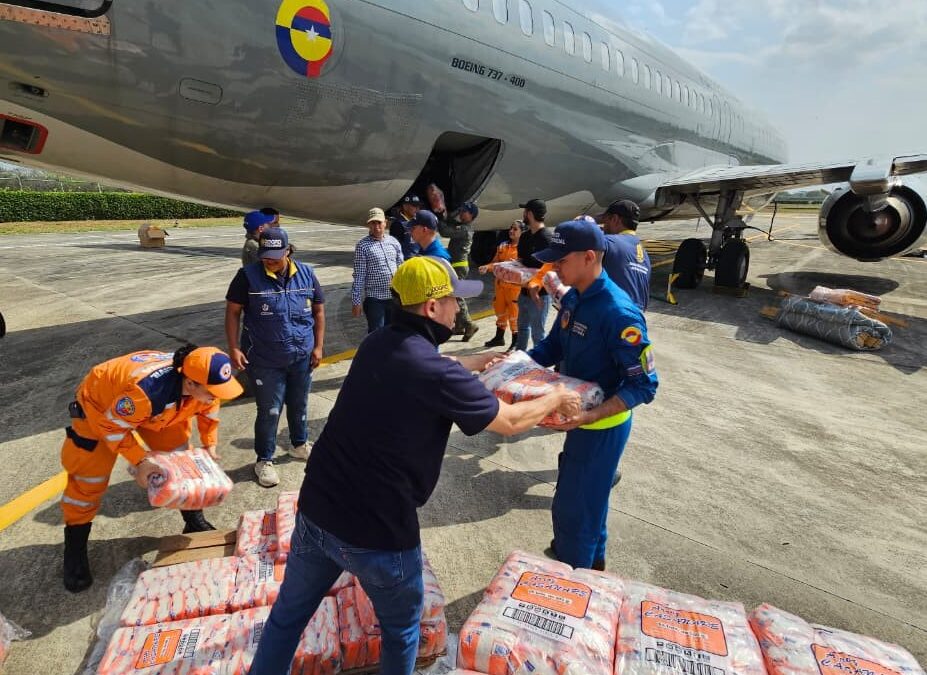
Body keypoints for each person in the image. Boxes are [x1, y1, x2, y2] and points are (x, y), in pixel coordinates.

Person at [248, 256, 580, 675]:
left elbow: (428, 366)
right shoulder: (437, 374)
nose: (459, 309)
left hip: (317, 510)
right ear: (431, 308)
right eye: (454, 301)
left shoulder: (378, 341)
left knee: (287, 617)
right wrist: (555, 398)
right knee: (402, 629)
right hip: (377, 531)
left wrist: (478, 360)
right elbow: (510, 422)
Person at [528, 219, 659, 571]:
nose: (554, 267)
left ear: (589, 257)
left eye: (561, 260)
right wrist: (512, 365)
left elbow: (644, 385)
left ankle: (574, 579)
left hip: (602, 427)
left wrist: (587, 417)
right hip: (579, 422)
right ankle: (592, 565)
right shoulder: (574, 299)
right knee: (590, 505)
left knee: (575, 511)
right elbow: (552, 346)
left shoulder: (619, 314)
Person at [60, 345, 243, 592]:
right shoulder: (146, 393)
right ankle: (74, 550)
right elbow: (113, 429)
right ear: (190, 384)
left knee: (181, 460)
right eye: (212, 391)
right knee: (89, 480)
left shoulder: (200, 384)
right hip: (101, 410)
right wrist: (141, 461)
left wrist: (210, 444)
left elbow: (209, 408)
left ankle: (193, 520)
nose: (216, 396)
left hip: (157, 410)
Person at [224, 227, 326, 488]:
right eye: (264, 255)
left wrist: (318, 347)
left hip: (301, 355)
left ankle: (299, 444)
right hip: (265, 359)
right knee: (269, 411)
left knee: (299, 403)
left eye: (275, 256)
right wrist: (234, 347)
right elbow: (233, 312)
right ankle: (264, 460)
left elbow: (319, 311)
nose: (268, 260)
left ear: (288, 251)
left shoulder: (306, 274)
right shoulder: (247, 277)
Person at [352, 207, 405, 333]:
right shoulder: (363, 245)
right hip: (375, 299)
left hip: (394, 298)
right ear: (368, 225)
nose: (376, 226)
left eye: (379, 222)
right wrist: (356, 301)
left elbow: (401, 268)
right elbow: (359, 275)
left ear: (385, 223)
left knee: (395, 332)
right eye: (373, 223)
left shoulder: (394, 242)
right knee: (377, 335)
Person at [597, 199, 652, 312]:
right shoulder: (644, 254)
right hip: (636, 317)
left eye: (606, 221)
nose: (604, 225)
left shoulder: (609, 242)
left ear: (615, 219)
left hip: (612, 313)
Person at [478, 220, 523, 350]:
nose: (511, 231)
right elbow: (495, 263)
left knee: (514, 314)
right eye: (511, 228)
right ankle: (499, 337)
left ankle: (516, 341)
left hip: (514, 288)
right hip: (500, 286)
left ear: (522, 232)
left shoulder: (523, 249)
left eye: (515, 229)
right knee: (500, 311)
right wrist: (487, 267)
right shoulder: (502, 246)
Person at [515, 198, 553, 350]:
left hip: (540, 295)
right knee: (522, 328)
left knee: (538, 335)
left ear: (529, 214)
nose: (523, 214)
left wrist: (534, 287)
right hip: (524, 293)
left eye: (525, 211)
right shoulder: (524, 237)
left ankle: (539, 367)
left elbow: (550, 269)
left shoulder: (547, 239)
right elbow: (521, 261)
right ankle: (520, 360)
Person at [439, 201, 480, 340]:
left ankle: (469, 324)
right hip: (457, 264)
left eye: (464, 211)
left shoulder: (464, 229)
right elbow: (451, 221)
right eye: (461, 211)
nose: (461, 213)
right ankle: (459, 326)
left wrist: (438, 217)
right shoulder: (463, 227)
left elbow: (445, 231)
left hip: (458, 266)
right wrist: (452, 212)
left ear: (472, 215)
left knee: (456, 296)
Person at [389, 194, 421, 260]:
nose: (417, 209)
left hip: (418, 261)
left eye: (418, 206)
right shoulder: (397, 224)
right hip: (405, 262)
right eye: (414, 206)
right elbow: (394, 247)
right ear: (405, 206)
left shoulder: (417, 221)